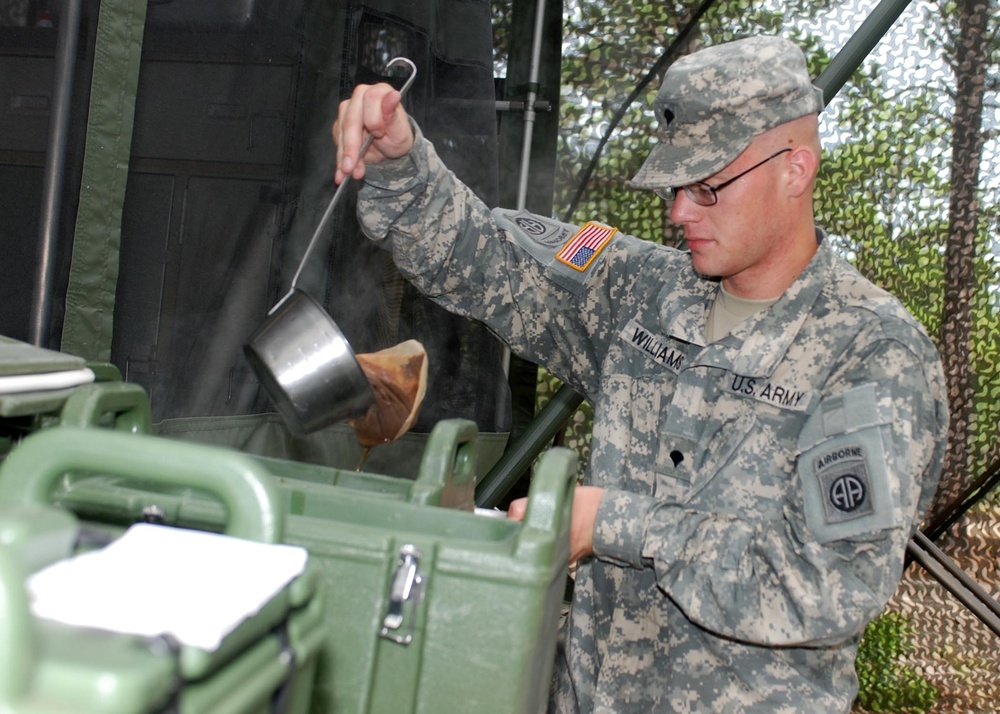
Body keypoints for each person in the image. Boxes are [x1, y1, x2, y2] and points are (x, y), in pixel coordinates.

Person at [333, 34, 949, 714]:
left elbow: (827, 584)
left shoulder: (872, 354)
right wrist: (401, 161)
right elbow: (487, 261)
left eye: (709, 187)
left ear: (795, 169)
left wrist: (618, 524)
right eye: (677, 185)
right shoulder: (641, 289)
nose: (680, 211)